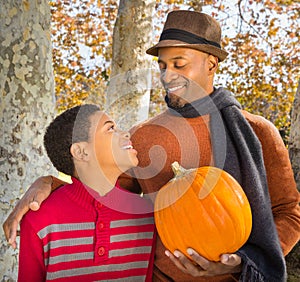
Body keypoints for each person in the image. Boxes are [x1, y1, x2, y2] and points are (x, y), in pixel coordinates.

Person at [3, 10, 300, 282]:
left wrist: (240, 262)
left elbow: (289, 212)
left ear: (211, 63)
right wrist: (49, 183)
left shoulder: (258, 132)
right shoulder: (143, 137)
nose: (167, 76)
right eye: (162, 65)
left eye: (179, 64)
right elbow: (104, 192)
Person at [17, 104, 156, 281]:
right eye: (110, 128)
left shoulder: (147, 215)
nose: (126, 133)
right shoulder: (39, 220)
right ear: (81, 152)